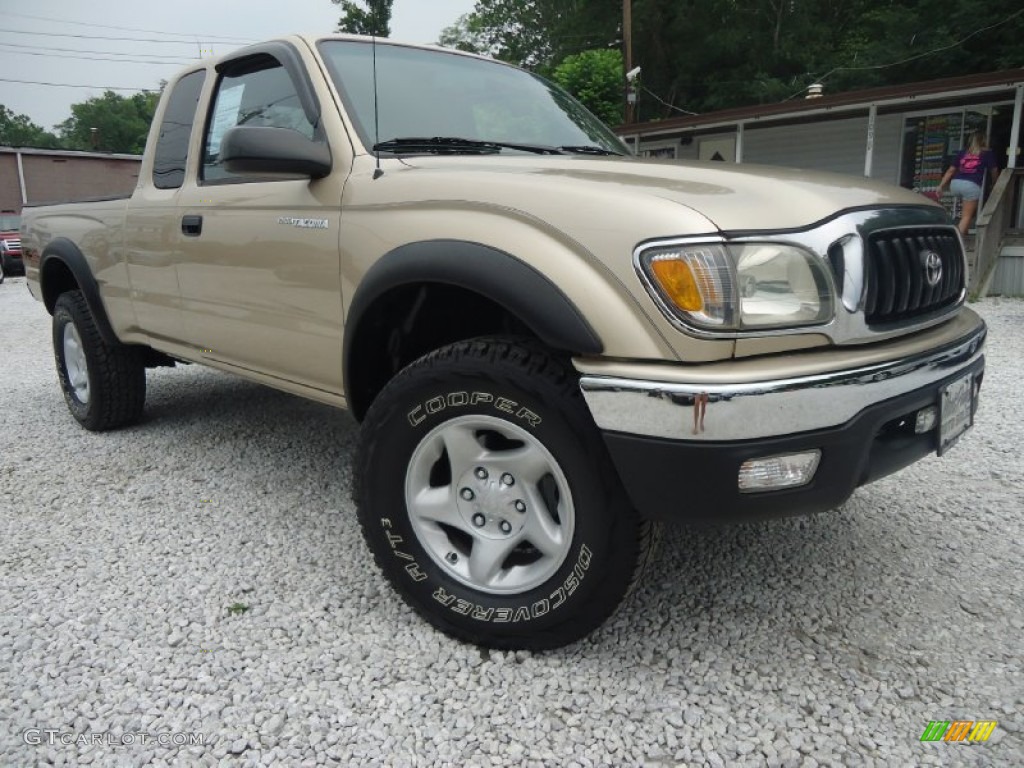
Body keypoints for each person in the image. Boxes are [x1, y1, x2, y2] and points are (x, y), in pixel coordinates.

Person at [937, 130, 1001, 236]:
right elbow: (994, 171)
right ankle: (958, 241)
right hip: (971, 185)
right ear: (984, 141)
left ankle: (964, 233)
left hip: (956, 184)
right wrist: (995, 183)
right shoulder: (987, 153)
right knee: (967, 217)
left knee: (964, 213)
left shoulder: (962, 153)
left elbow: (951, 170)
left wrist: (941, 186)